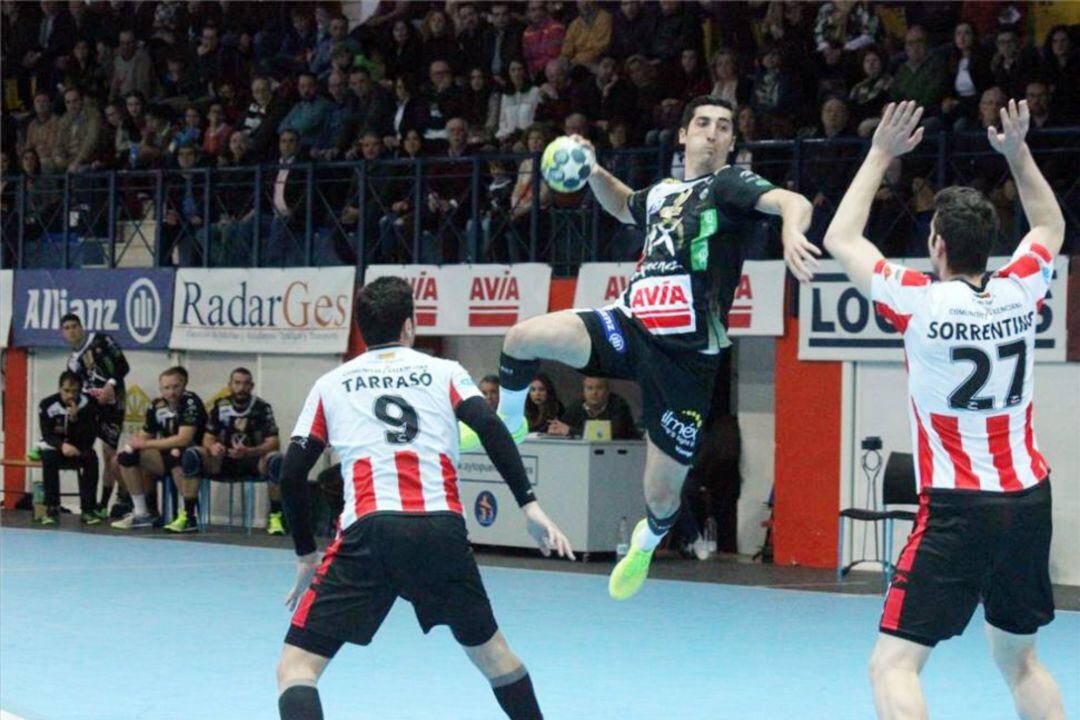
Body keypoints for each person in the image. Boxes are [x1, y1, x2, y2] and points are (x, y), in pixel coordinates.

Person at [462, 94, 817, 601]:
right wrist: (592, 171)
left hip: (685, 361)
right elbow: (623, 204)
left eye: (723, 126)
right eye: (702, 123)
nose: (712, 132)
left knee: (662, 494)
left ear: (731, 142)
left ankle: (646, 543)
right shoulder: (663, 192)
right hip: (628, 324)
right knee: (521, 337)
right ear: (683, 135)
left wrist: (792, 231)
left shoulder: (730, 184)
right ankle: (512, 421)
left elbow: (791, 201)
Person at [822, 100, 1066, 720]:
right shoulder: (1021, 288)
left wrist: (880, 152)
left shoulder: (918, 302)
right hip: (1029, 501)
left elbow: (840, 238)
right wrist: (1017, 153)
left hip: (958, 509)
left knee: (893, 665)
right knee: (1021, 662)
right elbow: (1049, 225)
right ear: (991, 245)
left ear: (936, 245)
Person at [274, 276, 574, 720]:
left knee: (297, 668)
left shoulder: (330, 384)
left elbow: (292, 474)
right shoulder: (445, 371)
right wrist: (529, 506)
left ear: (361, 329)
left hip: (369, 531)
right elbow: (491, 427)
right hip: (441, 531)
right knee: (494, 656)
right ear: (409, 326)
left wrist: (305, 554)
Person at [181, 368, 282, 535]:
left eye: (245, 384)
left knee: (276, 459)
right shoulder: (220, 406)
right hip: (223, 460)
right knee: (193, 454)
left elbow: (273, 442)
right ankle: (188, 516)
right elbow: (208, 438)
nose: (241, 388)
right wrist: (213, 447)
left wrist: (250, 451)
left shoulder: (262, 407)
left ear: (252, 386)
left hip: (253, 460)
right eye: (237, 383)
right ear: (230, 385)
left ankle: (276, 517)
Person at [112, 367, 207, 530]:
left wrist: (146, 444)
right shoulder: (157, 405)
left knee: (179, 458)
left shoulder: (191, 402)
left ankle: (186, 516)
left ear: (184, 385)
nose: (171, 392)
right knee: (125, 457)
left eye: (176, 387)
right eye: (166, 388)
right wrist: (132, 444)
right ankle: (142, 512)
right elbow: (144, 435)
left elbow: (184, 439)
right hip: (166, 454)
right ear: (161, 389)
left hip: (191, 454)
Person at [60, 313, 129, 516]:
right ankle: (96, 503)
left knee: (109, 453)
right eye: (67, 328)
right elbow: (75, 389)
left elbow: (123, 365)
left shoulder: (101, 340)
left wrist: (111, 384)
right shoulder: (72, 362)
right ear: (62, 333)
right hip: (91, 408)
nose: (72, 331)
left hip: (112, 405)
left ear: (81, 327)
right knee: (89, 452)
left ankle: (116, 498)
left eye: (74, 326)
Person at [36, 371, 102, 526]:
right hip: (57, 448)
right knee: (48, 458)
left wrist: (75, 419)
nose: (70, 395)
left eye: (74, 391)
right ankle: (51, 507)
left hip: (79, 447)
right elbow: (47, 434)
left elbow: (91, 435)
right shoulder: (47, 405)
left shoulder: (89, 405)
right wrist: (62, 446)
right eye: (66, 391)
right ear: (59, 389)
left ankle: (88, 509)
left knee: (92, 459)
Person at [549, 377, 639, 439]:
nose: (594, 393)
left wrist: (571, 431)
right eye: (589, 388)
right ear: (584, 391)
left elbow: (608, 435)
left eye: (599, 388)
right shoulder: (577, 407)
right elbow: (562, 426)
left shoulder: (618, 405)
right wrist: (555, 429)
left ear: (607, 391)